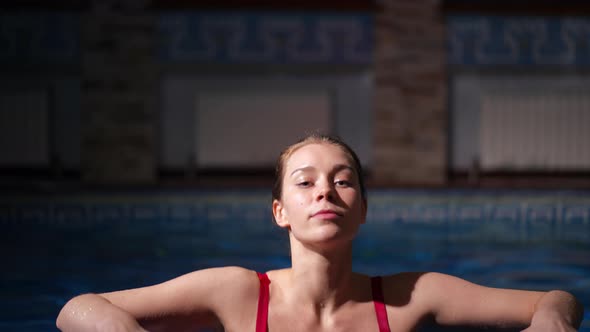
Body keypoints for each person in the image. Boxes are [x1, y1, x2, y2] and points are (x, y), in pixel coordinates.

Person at [57, 134, 584, 332]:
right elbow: (78, 309)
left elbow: (557, 299)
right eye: (305, 183)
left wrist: (551, 326)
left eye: (343, 181)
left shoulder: (407, 298)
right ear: (280, 212)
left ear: (363, 209)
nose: (325, 192)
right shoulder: (238, 294)